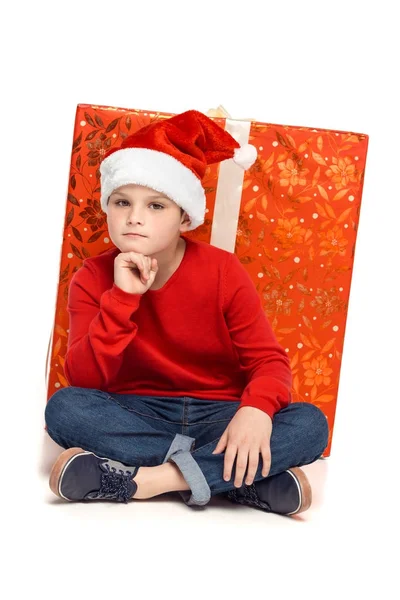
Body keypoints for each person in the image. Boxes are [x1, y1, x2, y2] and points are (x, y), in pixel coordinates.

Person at [45, 109, 328, 515]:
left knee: (310, 425)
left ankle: (148, 481)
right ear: (107, 208)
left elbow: (268, 361)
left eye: (156, 206)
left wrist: (255, 410)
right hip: (139, 411)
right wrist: (123, 299)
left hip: (220, 414)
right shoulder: (92, 277)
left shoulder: (223, 271)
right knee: (65, 409)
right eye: (122, 202)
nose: (135, 217)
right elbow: (86, 379)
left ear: (184, 217)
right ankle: (236, 479)